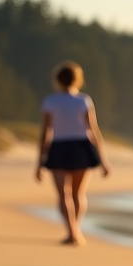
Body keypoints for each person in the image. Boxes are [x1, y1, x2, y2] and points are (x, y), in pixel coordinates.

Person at [36, 61, 111, 245]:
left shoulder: (50, 101)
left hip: (59, 147)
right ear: (78, 79)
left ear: (57, 80)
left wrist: (39, 163)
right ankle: (75, 230)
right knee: (78, 194)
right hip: (81, 147)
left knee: (64, 195)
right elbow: (94, 131)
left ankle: (72, 232)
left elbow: (45, 133)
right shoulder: (83, 100)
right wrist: (103, 161)